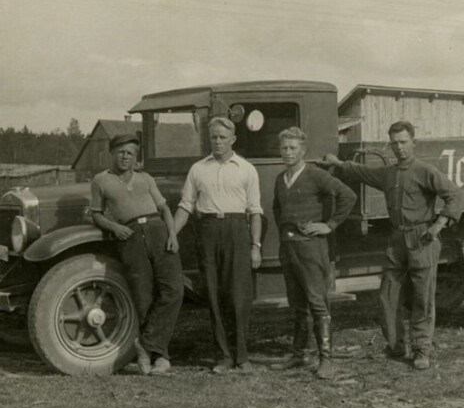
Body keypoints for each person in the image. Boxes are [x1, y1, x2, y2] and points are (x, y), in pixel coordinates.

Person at [324, 121, 462, 370]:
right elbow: (361, 171)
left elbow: (453, 195)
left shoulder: (425, 171)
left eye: (403, 142)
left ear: (413, 143)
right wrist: (337, 164)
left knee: (423, 298)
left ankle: (421, 350)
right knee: (388, 295)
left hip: (422, 239)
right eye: (394, 143)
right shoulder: (389, 174)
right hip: (397, 240)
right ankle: (397, 346)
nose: (399, 147)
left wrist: (438, 225)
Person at [173, 117, 262, 373]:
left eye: (223, 137)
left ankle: (242, 356)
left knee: (239, 297)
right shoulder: (198, 169)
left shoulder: (246, 169)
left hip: (237, 232)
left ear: (233, 139)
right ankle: (223, 356)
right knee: (213, 295)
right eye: (213, 137)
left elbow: (255, 211)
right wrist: (171, 234)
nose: (218, 141)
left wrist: (255, 245)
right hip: (208, 231)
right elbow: (185, 206)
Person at [90, 133, 184, 376]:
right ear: (112, 154)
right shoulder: (100, 180)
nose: (125, 156)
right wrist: (115, 227)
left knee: (174, 290)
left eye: (130, 153)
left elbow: (164, 208)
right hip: (129, 236)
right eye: (121, 152)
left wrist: (172, 235)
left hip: (157, 231)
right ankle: (161, 357)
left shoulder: (146, 178)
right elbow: (97, 214)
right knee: (143, 298)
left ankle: (145, 345)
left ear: (135, 157)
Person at [272, 127, 357, 379]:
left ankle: (326, 359)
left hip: (311, 249)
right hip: (288, 249)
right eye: (284, 148)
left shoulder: (315, 175)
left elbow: (347, 195)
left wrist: (328, 225)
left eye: (293, 148)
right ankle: (299, 354)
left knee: (318, 304)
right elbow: (278, 210)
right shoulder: (280, 179)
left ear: (303, 151)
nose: (288, 153)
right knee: (297, 304)